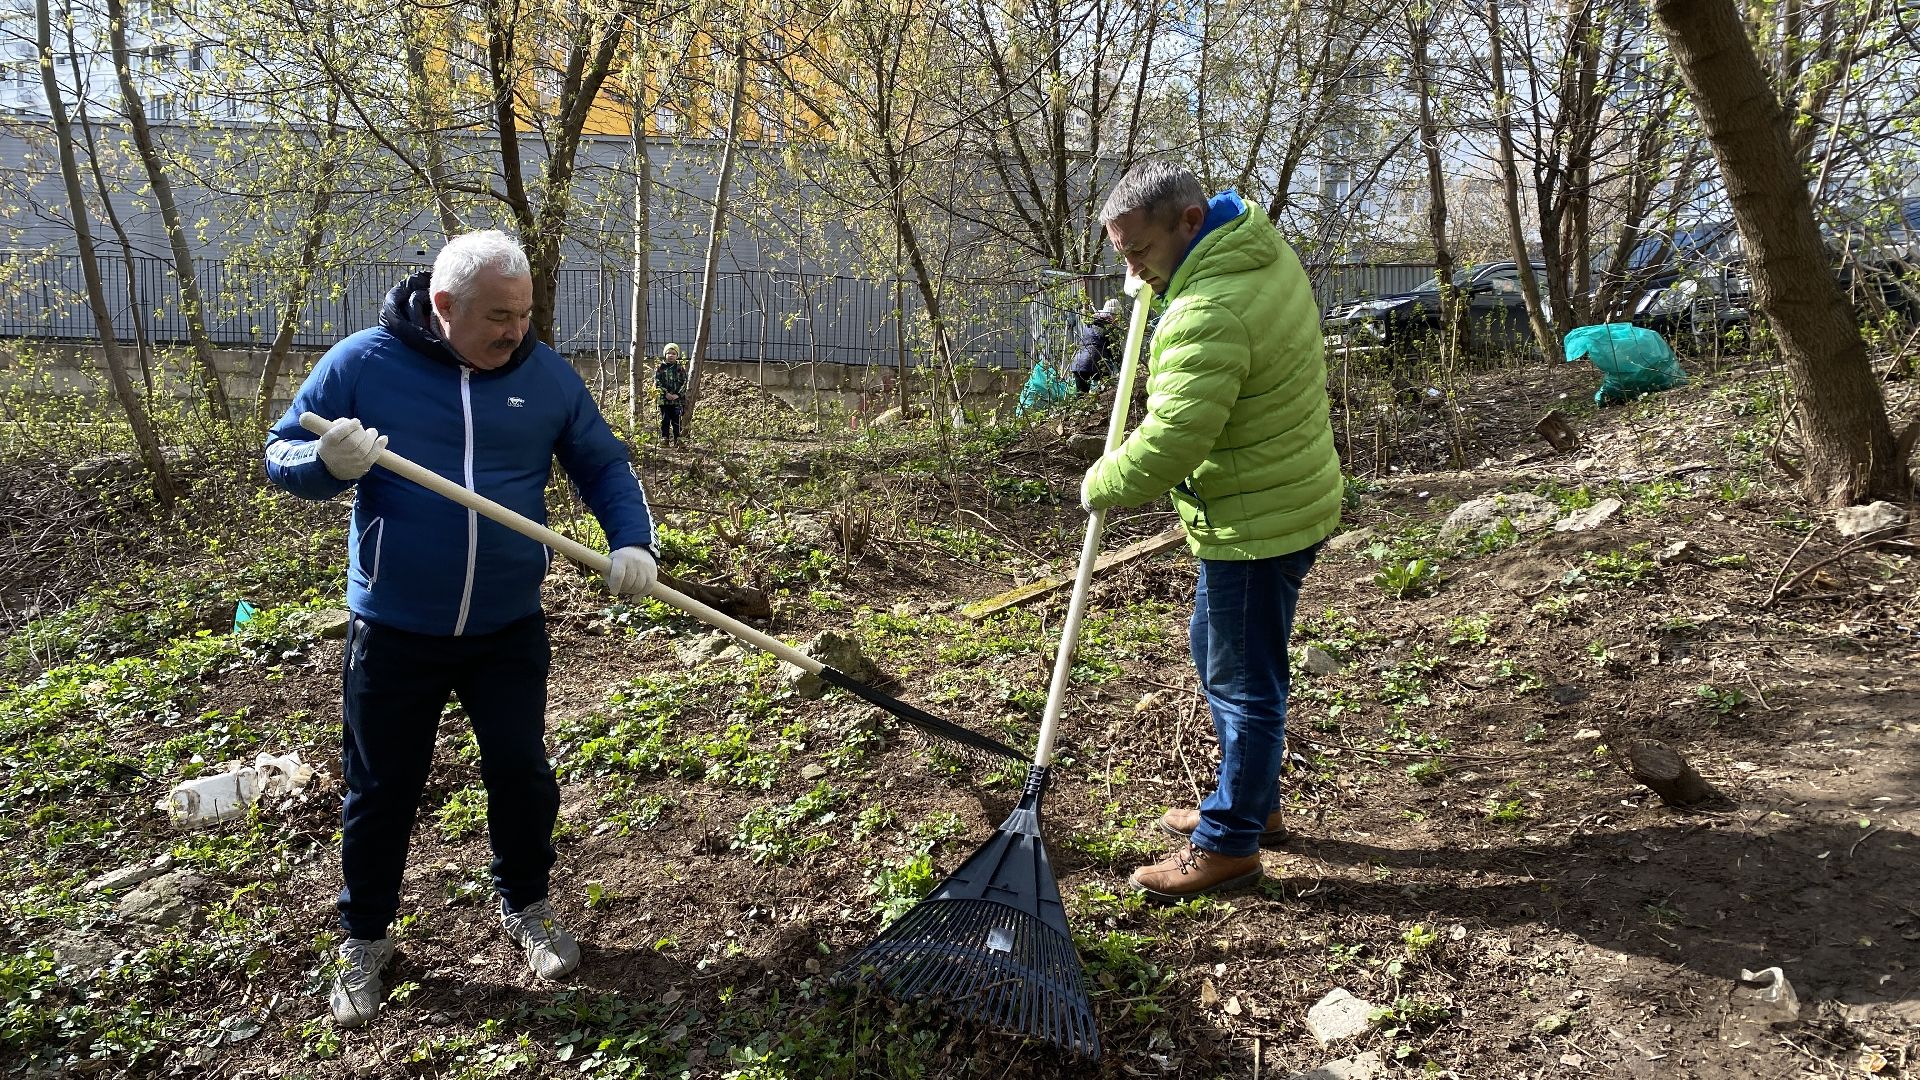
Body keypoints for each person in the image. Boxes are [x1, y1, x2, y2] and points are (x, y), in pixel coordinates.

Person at [263, 230, 661, 1027]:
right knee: (381, 789)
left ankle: (528, 903)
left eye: (524, 314)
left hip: (506, 627)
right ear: (443, 307)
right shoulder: (364, 365)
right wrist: (326, 467)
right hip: (395, 628)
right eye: (498, 316)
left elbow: (603, 464)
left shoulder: (544, 377)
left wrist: (632, 541)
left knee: (521, 770)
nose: (516, 331)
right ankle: (365, 938)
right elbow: (281, 452)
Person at [1079, 162, 1342, 902]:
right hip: (1285, 488)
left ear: (1189, 223)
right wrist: (1151, 289)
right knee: (1218, 649)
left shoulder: (1209, 308)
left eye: (1138, 254)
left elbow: (1172, 443)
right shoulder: (1254, 243)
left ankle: (1230, 843)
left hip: (1256, 520)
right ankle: (1252, 801)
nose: (1131, 270)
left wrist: (1099, 480)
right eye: (1123, 254)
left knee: (1242, 681)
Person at [1070, 297, 1122, 394]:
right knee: (1107, 393)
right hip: (1097, 363)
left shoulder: (1090, 322)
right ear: (1114, 315)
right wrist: (1122, 369)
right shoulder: (1109, 328)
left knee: (1081, 396)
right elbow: (1115, 352)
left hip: (1078, 363)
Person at [655, 343, 688, 446]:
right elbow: (657, 382)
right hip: (664, 400)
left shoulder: (680, 368)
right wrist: (666, 393)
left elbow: (685, 382)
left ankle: (678, 440)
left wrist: (678, 394)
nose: (671, 355)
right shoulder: (661, 367)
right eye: (669, 353)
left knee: (677, 421)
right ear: (665, 355)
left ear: (677, 356)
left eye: (673, 353)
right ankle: (664, 439)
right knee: (665, 420)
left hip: (677, 400)